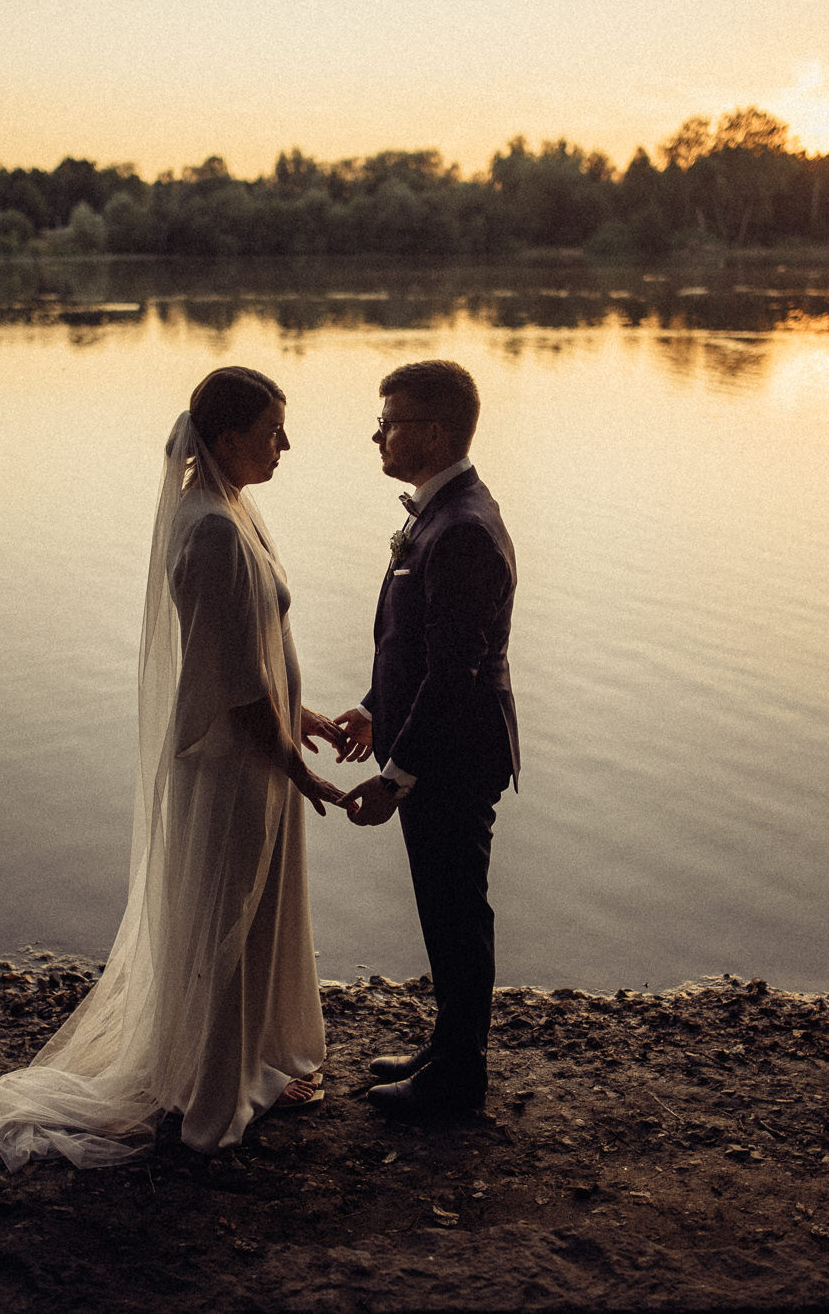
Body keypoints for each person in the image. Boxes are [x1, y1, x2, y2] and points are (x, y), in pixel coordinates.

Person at [0, 366, 350, 1168]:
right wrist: (292, 762)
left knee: (252, 911)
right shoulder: (209, 527)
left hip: (257, 746)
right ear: (226, 438)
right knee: (228, 917)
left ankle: (253, 1060)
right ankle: (215, 1087)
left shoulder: (232, 509)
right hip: (237, 761)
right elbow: (236, 686)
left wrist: (300, 713)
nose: (287, 444)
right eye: (274, 429)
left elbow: (250, 651)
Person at [336, 360, 519, 1117]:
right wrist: (375, 707)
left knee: (457, 911)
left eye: (390, 421)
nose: (378, 433)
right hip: (433, 745)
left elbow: (454, 675)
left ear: (434, 432)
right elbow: (410, 643)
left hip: (454, 755)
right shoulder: (438, 512)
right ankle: (447, 1047)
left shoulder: (465, 527)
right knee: (442, 906)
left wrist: (398, 773)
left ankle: (458, 1077)